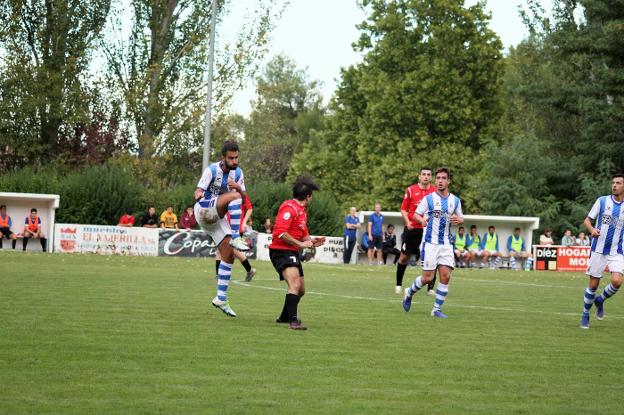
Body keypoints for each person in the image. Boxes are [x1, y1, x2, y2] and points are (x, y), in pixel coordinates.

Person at [194, 140, 250, 317]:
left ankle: (221, 298)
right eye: (231, 158)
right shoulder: (211, 170)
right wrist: (199, 194)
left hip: (216, 218)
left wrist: (239, 189)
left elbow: (243, 197)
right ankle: (236, 236)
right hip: (204, 209)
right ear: (223, 158)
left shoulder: (239, 173)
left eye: (236, 158)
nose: (234, 161)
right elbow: (197, 191)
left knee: (228, 254)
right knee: (234, 197)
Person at [403, 167, 464, 318]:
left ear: (448, 181)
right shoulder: (428, 199)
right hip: (430, 243)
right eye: (438, 178)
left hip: (446, 244)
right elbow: (416, 215)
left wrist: (460, 220)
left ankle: (436, 309)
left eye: (443, 178)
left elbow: (461, 217)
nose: (440, 181)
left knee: (445, 276)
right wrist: (422, 220)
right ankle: (409, 292)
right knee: (428, 278)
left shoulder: (455, 201)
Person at [269, 176, 326, 330]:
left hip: (291, 251)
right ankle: (293, 322)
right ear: (308, 196)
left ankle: (284, 317)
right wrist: (301, 244)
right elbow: (280, 233)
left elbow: (303, 233)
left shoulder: (301, 211)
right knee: (294, 284)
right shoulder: (290, 208)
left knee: (300, 290)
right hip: (281, 251)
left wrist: (313, 242)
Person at [579, 173, 624, 329]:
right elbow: (587, 220)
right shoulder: (602, 201)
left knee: (617, 281)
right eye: (613, 183)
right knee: (593, 284)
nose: (614, 185)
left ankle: (600, 300)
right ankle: (585, 314)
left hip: (616, 250)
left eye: (618, 183)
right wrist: (591, 230)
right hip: (598, 249)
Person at [395, 167, 436, 294]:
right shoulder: (411, 190)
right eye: (423, 174)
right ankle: (398, 285)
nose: (426, 177)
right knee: (403, 258)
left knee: (432, 258)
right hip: (413, 229)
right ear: (419, 176)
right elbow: (403, 209)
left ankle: (430, 289)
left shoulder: (435, 191)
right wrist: (407, 222)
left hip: (429, 230)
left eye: (428, 174)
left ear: (431, 177)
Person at [215, 195, 256, 282]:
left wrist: (244, 222)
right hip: (226, 227)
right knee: (221, 250)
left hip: (236, 227)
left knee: (232, 251)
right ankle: (219, 275)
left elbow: (249, 209)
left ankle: (249, 270)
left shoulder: (242, 195)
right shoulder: (225, 193)